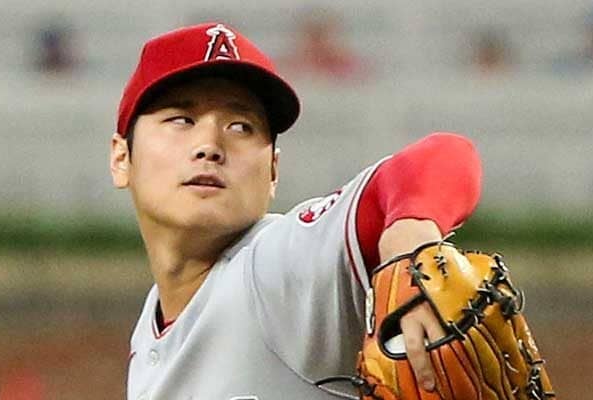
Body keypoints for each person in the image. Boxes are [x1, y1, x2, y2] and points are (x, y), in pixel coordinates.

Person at [110, 22, 481, 399]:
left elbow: (443, 157)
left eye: (240, 127)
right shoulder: (150, 331)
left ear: (273, 171)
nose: (209, 146)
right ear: (122, 158)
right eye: (181, 120)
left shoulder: (279, 268)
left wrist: (409, 240)